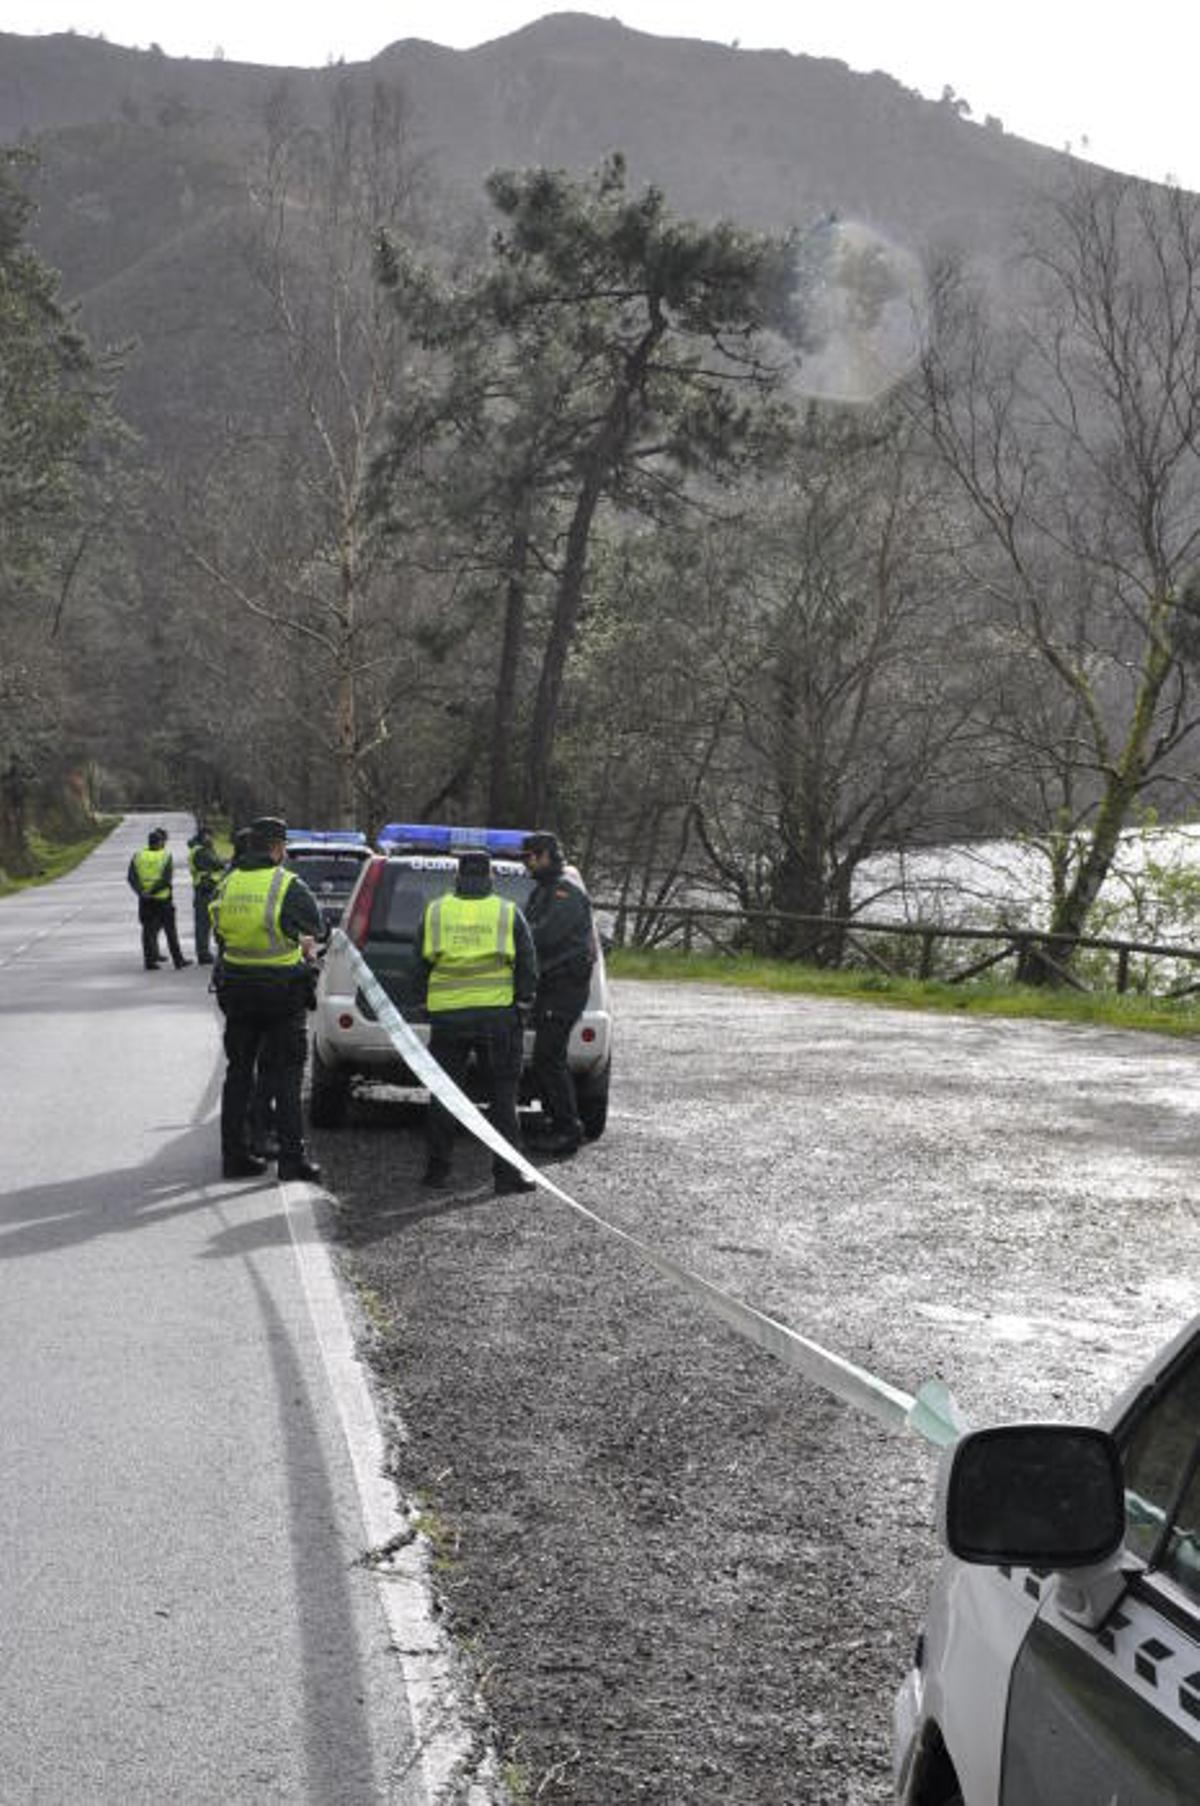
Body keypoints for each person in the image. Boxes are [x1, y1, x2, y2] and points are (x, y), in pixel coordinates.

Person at [418, 848, 538, 1197]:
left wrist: (424, 1004)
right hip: (497, 1017)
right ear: (490, 878)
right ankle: (507, 1176)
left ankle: (436, 1172)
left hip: (448, 1018)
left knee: (444, 1094)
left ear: (456, 877)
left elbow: (419, 965)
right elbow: (529, 968)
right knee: (503, 1096)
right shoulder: (507, 912)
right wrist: (520, 1006)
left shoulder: (436, 911)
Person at [209, 815, 323, 1182]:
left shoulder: (226, 885)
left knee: (238, 1074)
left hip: (238, 990)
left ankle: (234, 1157)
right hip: (281, 994)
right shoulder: (286, 884)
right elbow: (316, 925)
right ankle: (292, 1160)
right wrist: (301, 943)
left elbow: (221, 932)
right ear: (277, 847)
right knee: (287, 1076)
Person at [520, 829, 596, 1156]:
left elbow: (541, 936)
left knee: (549, 1059)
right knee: (547, 1059)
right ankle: (558, 1122)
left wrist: (513, 938)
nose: (528, 864)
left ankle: (568, 1129)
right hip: (551, 986)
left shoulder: (565, 892)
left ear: (547, 855)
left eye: (532, 857)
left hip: (564, 988)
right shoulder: (543, 891)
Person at [127, 826, 191, 971]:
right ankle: (178, 960)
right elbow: (166, 879)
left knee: (147, 931)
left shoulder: (138, 856)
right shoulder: (165, 856)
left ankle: (149, 962)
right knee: (170, 931)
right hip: (163, 899)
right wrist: (153, 890)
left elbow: (131, 877)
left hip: (145, 900)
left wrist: (142, 891)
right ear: (160, 843)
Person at [186, 822, 223, 966]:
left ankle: (205, 952)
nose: (211, 839)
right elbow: (217, 863)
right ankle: (203, 954)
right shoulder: (200, 851)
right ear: (204, 836)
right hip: (204, 890)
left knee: (207, 924)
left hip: (208, 889)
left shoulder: (203, 848)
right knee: (203, 925)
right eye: (209, 836)